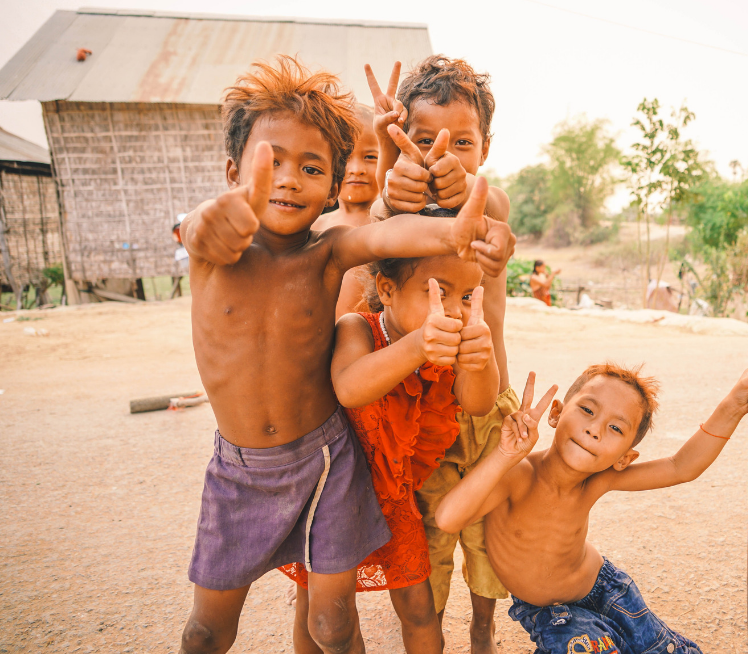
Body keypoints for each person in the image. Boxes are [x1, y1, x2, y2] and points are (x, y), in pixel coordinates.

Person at [176, 55, 514, 654]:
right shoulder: (214, 249)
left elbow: (385, 234)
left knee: (332, 622)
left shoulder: (328, 252)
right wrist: (214, 218)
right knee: (206, 632)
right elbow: (201, 228)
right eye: (269, 163)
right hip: (240, 471)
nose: (286, 179)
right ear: (233, 171)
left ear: (332, 189)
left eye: (309, 168)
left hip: (327, 461)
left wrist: (466, 229)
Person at [435, 363, 748, 654]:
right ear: (556, 413)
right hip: (550, 612)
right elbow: (449, 518)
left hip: (608, 589)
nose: (595, 429)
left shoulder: (597, 480)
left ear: (625, 458)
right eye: (587, 410)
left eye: (615, 428)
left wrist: (735, 405)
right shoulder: (518, 475)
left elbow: (680, 466)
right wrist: (505, 455)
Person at [367, 56, 516, 653]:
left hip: (485, 408)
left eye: (463, 141)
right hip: (423, 417)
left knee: (487, 535)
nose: (441, 154)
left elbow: (496, 215)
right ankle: (432, 633)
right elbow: (375, 229)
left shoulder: (490, 203)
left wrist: (473, 195)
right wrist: (387, 178)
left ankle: (483, 628)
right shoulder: (398, 209)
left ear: (485, 146)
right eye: (424, 139)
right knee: (429, 541)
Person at [282, 254, 498, 654]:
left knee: (419, 607)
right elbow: (350, 386)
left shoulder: (457, 344)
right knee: (322, 612)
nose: (453, 309)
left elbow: (479, 403)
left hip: (394, 499)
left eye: (466, 296)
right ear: (387, 290)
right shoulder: (359, 327)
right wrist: (419, 345)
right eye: (438, 292)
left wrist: (481, 360)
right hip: (334, 497)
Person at [311, 104, 380, 318]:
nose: (356, 168)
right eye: (346, 158)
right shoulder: (315, 225)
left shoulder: (387, 222)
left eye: (370, 157)